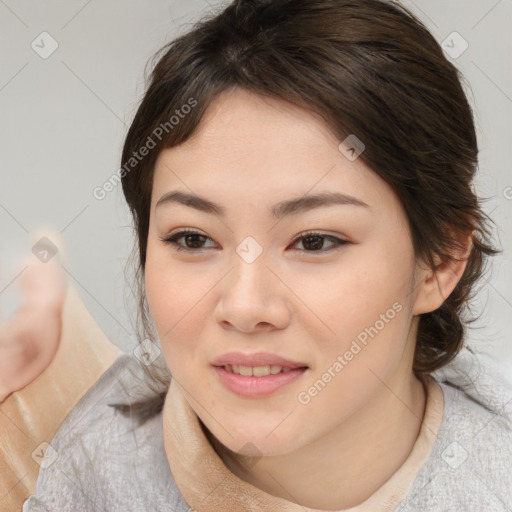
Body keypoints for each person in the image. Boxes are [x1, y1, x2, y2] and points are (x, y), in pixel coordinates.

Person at [11, 0, 512, 510]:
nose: (246, 308)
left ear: (441, 261)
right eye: (193, 238)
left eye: (314, 241)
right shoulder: (87, 474)